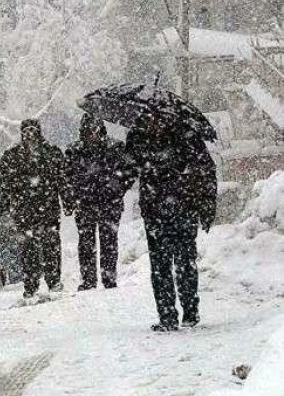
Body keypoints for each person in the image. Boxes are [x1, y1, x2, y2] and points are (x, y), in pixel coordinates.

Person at [126, 116, 217, 332]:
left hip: (171, 208)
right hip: (169, 209)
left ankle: (177, 313)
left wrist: (206, 204)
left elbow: (204, 171)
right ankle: (178, 313)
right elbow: (206, 171)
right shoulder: (183, 135)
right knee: (171, 264)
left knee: (170, 264)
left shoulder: (146, 135)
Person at [0, 119, 69, 299]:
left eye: (33, 130)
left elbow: (63, 179)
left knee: (51, 245)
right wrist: (2, 205)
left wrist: (68, 200)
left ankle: (53, 281)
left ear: (39, 132)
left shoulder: (51, 153)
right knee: (28, 249)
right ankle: (30, 285)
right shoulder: (12, 156)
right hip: (24, 209)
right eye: (26, 131)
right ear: (22, 133)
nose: (29, 135)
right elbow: (3, 184)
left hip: (48, 207)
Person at [65, 114, 135, 291]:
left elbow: (130, 171)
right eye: (88, 129)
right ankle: (89, 280)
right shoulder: (74, 151)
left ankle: (109, 278)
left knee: (109, 242)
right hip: (85, 204)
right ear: (83, 131)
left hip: (109, 203)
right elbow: (66, 177)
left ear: (101, 130)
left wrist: (119, 188)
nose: (92, 133)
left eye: (95, 129)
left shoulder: (116, 148)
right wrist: (73, 195)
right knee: (86, 243)